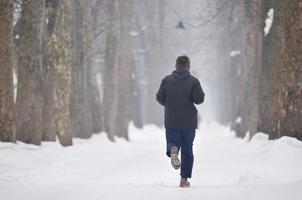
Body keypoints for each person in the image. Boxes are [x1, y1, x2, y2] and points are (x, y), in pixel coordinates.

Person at [156, 55, 205, 188]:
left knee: (173, 141)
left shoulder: (166, 81)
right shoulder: (193, 81)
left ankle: (173, 149)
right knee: (187, 150)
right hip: (189, 122)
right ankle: (184, 180)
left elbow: (159, 98)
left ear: (176, 66)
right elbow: (199, 99)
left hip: (172, 121)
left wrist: (170, 103)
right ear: (188, 66)